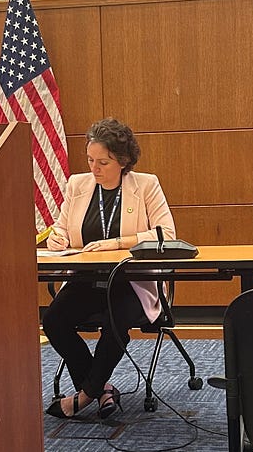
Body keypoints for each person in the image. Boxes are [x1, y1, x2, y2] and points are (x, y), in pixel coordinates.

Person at [41, 117, 177, 419]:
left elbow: (165, 235)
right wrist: (57, 238)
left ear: (123, 160)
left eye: (103, 162)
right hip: (86, 281)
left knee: (116, 324)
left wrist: (116, 243)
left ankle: (85, 396)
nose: (94, 168)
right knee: (53, 320)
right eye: (90, 160)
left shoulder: (145, 185)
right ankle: (101, 390)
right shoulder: (77, 185)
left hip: (131, 283)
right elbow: (62, 230)